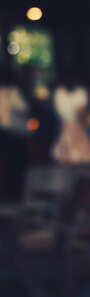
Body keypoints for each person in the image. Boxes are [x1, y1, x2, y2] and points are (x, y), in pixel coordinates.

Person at [51, 69, 90, 165]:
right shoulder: (80, 93)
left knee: (68, 160)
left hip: (66, 129)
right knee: (79, 159)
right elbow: (81, 114)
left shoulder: (59, 93)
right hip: (77, 129)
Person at [0, 64, 30, 202]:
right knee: (11, 166)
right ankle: (13, 193)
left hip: (13, 134)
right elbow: (23, 108)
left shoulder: (12, 92)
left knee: (16, 165)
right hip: (8, 135)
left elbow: (23, 108)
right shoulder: (10, 92)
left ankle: (18, 193)